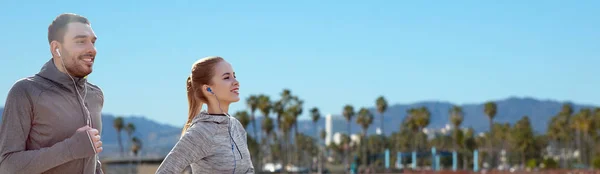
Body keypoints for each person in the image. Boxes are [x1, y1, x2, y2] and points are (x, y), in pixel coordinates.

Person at [0, 13, 104, 174]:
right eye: (81, 41)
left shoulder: (95, 95)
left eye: (92, 42)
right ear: (56, 48)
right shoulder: (25, 91)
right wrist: (70, 148)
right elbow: (7, 166)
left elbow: (91, 159)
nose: (92, 50)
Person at [156, 56, 254, 174]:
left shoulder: (236, 126)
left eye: (234, 76)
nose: (236, 82)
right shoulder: (202, 132)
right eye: (227, 77)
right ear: (208, 89)